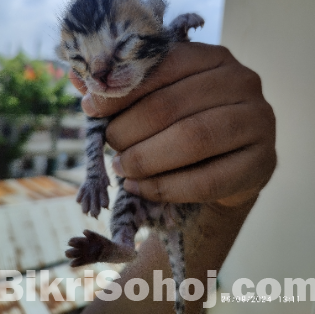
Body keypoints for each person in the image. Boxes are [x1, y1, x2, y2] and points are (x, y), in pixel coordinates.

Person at [70, 42, 276, 313]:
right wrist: (95, 176)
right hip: (145, 199)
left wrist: (223, 202)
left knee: (131, 211)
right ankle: (121, 246)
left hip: (163, 205)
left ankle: (122, 245)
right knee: (127, 210)